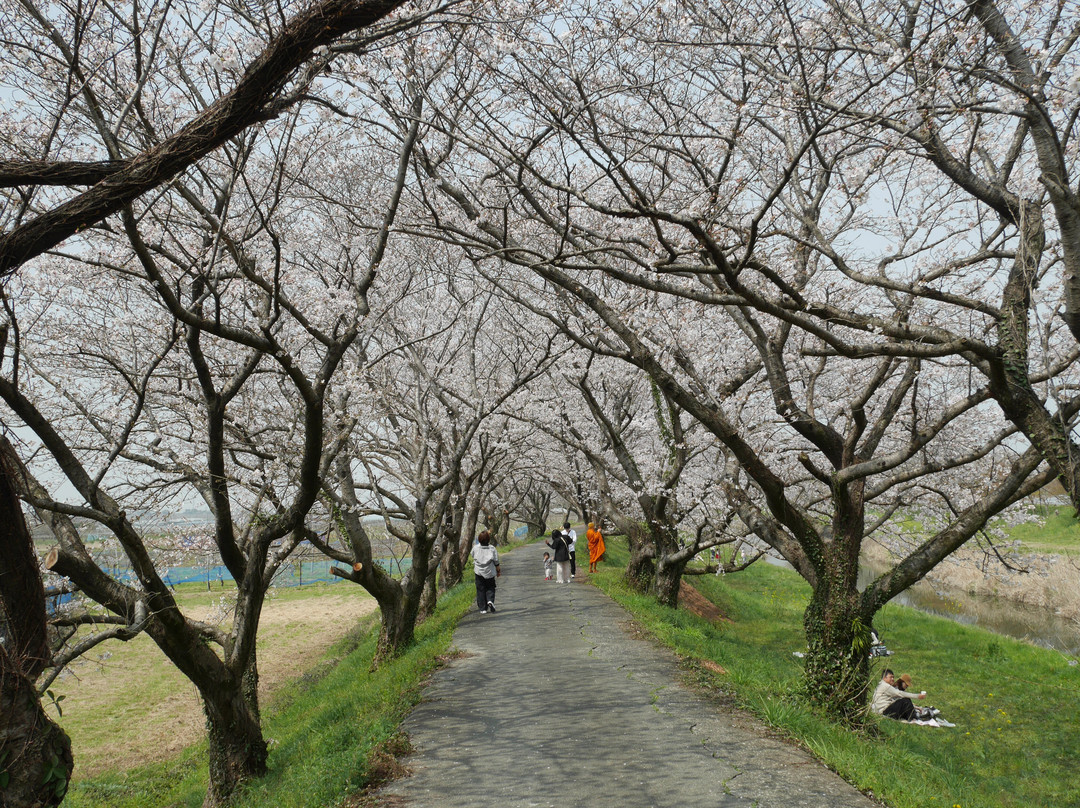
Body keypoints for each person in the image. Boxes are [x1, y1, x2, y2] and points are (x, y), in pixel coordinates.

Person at [471, 530, 501, 614]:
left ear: (479, 539)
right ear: (488, 539)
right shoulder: (492, 548)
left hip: (478, 572)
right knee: (490, 587)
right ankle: (490, 600)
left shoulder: (476, 548)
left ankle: (483, 608)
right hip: (490, 572)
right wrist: (498, 571)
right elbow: (496, 561)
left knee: (480, 589)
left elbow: (472, 555)